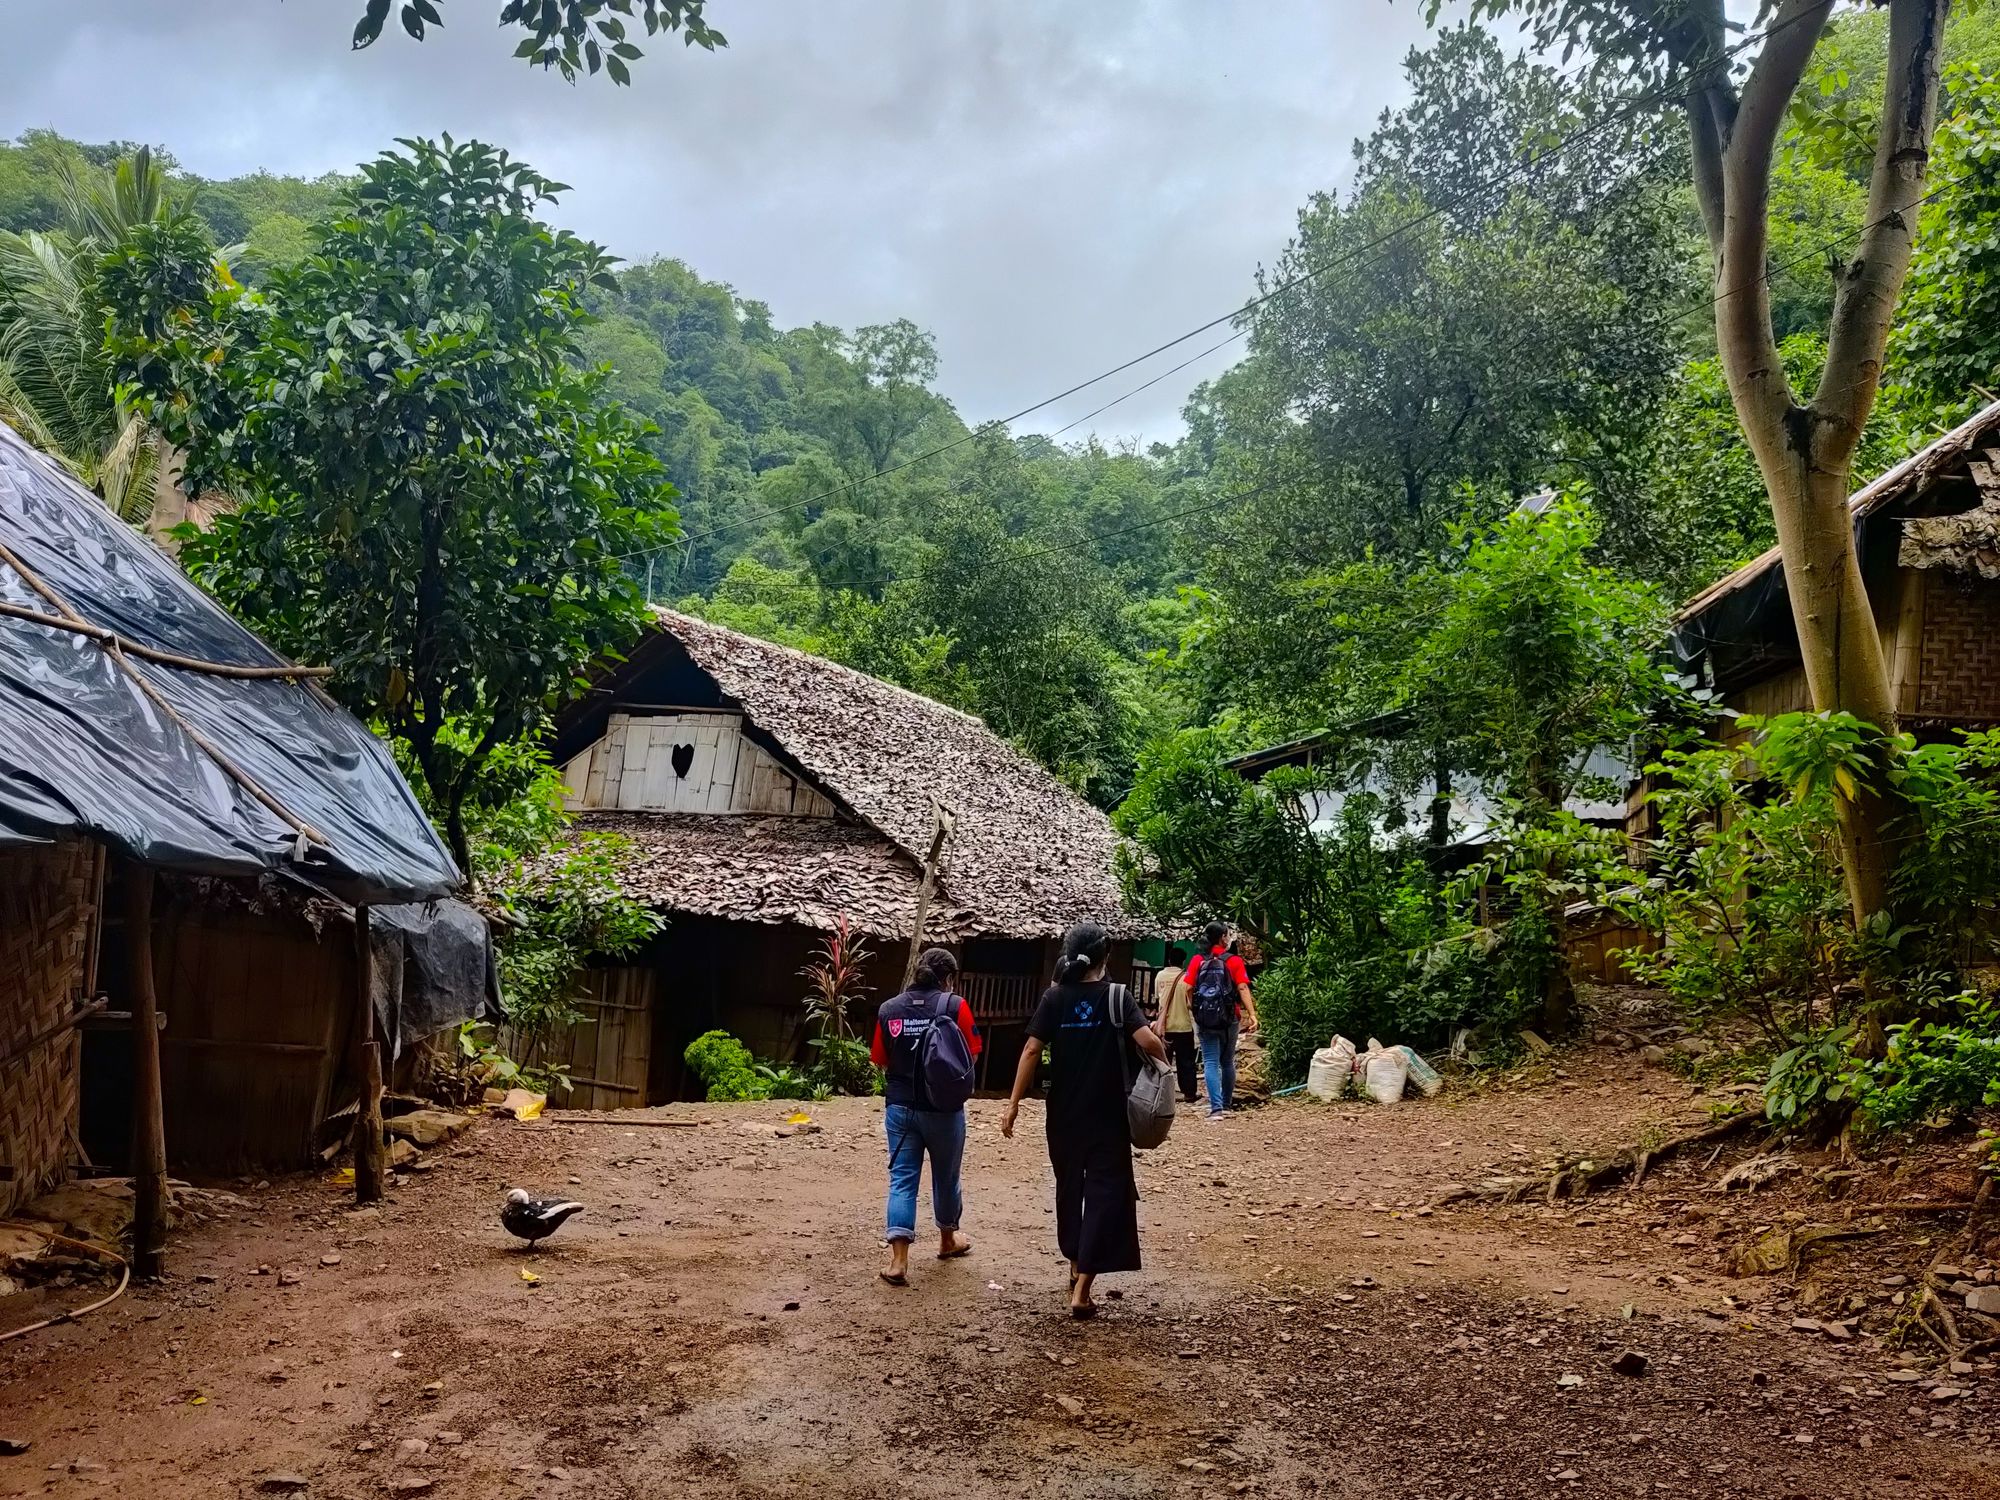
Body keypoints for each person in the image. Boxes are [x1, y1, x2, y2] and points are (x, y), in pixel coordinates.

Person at [1000, 921, 1170, 1319]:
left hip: (1063, 1115)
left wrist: (1013, 1103)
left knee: (1069, 1189)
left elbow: (1030, 1050)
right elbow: (1146, 1040)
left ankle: (1074, 1263)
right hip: (1108, 1115)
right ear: (1105, 957)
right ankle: (1082, 1290)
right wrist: (1163, 1066)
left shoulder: (1055, 998)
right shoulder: (1116, 997)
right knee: (1105, 1194)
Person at [870, 946, 981, 1286]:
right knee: (946, 1177)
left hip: (900, 1107)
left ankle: (899, 1262)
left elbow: (880, 1058)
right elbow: (972, 1053)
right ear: (948, 979)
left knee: (902, 1179)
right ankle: (948, 1240)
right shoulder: (954, 1005)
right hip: (944, 1111)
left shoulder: (890, 1009)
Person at [1183, 920, 1258, 1120]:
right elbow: (1242, 987)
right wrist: (1252, 1014)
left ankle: (1215, 1109)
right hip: (1230, 1017)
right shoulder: (1233, 961)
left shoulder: (1198, 960)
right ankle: (1226, 1104)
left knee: (1209, 1061)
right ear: (1222, 937)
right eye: (1227, 935)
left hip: (1205, 1019)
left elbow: (1188, 988)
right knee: (1227, 1061)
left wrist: (1194, 1007)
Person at [1152, 946, 1199, 1104]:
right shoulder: (1186, 978)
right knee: (1186, 1061)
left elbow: (1158, 997)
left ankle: (1163, 1094)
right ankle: (1189, 1093)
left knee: (1164, 1062)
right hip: (1183, 1026)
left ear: (1169, 960)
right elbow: (1190, 1004)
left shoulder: (1160, 976)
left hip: (1165, 1028)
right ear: (1183, 961)